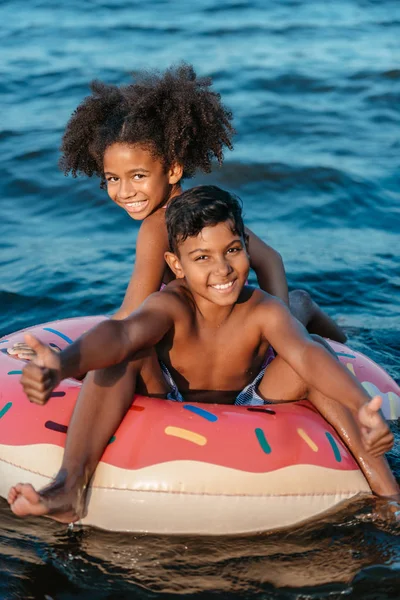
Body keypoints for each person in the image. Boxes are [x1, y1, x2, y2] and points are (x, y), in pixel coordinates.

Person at [7, 186, 398, 523]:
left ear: (247, 246)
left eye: (232, 250)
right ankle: (69, 485)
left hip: (253, 394)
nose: (223, 269)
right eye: (202, 258)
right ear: (176, 265)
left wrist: (362, 404)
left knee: (310, 358)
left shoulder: (263, 309)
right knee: (126, 356)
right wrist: (63, 364)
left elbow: (308, 356)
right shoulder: (171, 305)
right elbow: (121, 333)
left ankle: (387, 492)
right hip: (170, 392)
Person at [7, 64, 345, 363]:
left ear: (172, 170)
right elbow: (271, 259)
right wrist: (280, 312)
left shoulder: (157, 226)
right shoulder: (205, 208)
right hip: (231, 317)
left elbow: (130, 313)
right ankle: (346, 343)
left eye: (137, 176)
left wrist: (66, 356)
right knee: (299, 301)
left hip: (223, 335)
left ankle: (330, 337)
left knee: (295, 307)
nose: (124, 191)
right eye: (112, 179)